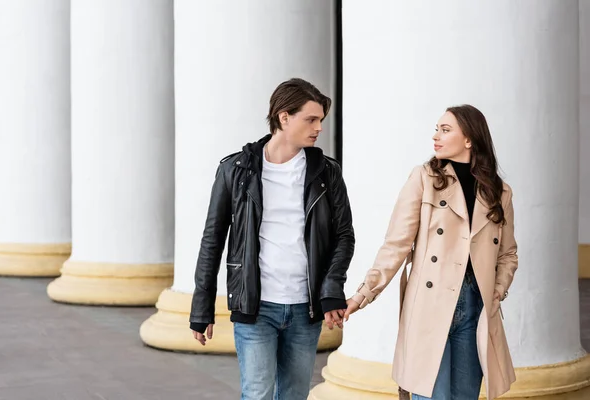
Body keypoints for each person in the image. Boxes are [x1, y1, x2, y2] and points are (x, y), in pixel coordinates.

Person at [189, 78, 355, 400]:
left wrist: (332, 287)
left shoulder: (326, 172)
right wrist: (201, 306)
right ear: (283, 117)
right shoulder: (235, 170)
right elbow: (213, 238)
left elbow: (344, 236)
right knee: (257, 394)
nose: (319, 127)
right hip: (255, 305)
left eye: (321, 120)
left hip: (303, 308)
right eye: (311, 119)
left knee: (293, 396)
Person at [344, 105, 518, 400]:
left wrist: (496, 292)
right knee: (432, 395)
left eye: (445, 130)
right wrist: (364, 294)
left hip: (475, 305)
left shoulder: (499, 192)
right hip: (430, 304)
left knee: (465, 395)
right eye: (436, 129)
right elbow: (396, 243)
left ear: (469, 139)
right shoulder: (424, 178)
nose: (436, 136)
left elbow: (508, 254)